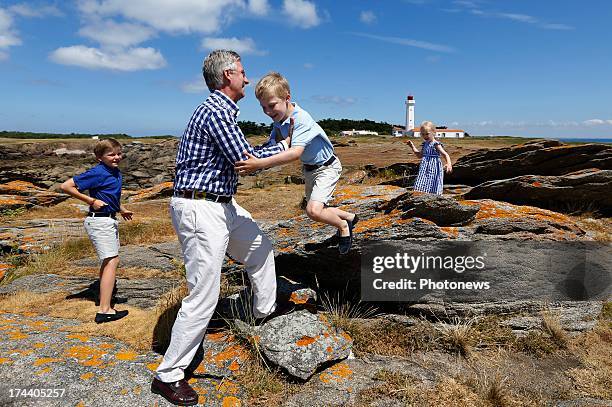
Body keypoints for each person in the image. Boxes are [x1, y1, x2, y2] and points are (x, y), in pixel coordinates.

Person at [151, 51, 291, 407]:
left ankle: (262, 314)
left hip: (220, 204)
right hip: (201, 207)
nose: (247, 79)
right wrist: (287, 145)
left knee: (260, 248)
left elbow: (244, 153)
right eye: (243, 73)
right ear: (228, 75)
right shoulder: (215, 110)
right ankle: (168, 375)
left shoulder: (222, 111)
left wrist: (277, 139)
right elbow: (245, 162)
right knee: (204, 293)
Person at [235, 72, 357, 254]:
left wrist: (259, 164)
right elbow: (273, 146)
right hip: (310, 170)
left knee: (314, 211)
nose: (268, 112)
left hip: (327, 167)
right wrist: (250, 157)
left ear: (287, 98)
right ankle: (350, 216)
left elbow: (294, 153)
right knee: (316, 208)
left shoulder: (301, 119)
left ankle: (343, 227)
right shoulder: (279, 120)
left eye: (271, 105)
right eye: (263, 108)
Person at [60, 138, 133, 323]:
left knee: (109, 261)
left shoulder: (115, 171)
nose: (116, 157)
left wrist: (121, 209)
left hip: (109, 220)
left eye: (118, 153)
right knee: (112, 261)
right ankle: (105, 311)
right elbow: (66, 186)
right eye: (111, 154)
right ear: (99, 157)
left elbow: (108, 194)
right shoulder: (98, 172)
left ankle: (104, 300)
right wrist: (91, 201)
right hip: (99, 222)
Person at [406, 121, 453, 195]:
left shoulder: (436, 144)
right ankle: (419, 197)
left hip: (434, 168)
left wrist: (449, 164)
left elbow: (445, 154)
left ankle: (434, 198)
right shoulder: (425, 144)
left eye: (427, 134)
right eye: (423, 134)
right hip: (424, 169)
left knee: (433, 183)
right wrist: (412, 146)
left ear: (433, 132)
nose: (425, 136)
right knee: (420, 183)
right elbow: (419, 155)